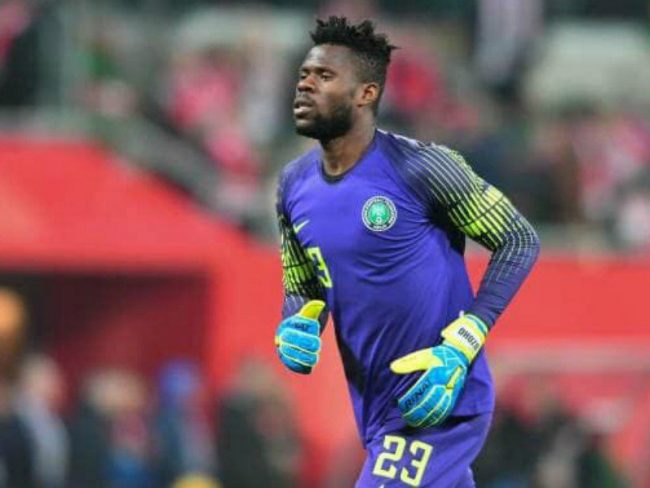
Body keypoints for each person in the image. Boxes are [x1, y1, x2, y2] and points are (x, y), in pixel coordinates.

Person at [273, 16, 540, 487]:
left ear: (366, 93)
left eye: (324, 76)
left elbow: (518, 239)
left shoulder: (422, 168)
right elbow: (304, 283)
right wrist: (297, 321)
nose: (305, 85)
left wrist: (465, 341)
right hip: (377, 410)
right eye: (304, 75)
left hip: (440, 399)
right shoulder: (293, 186)